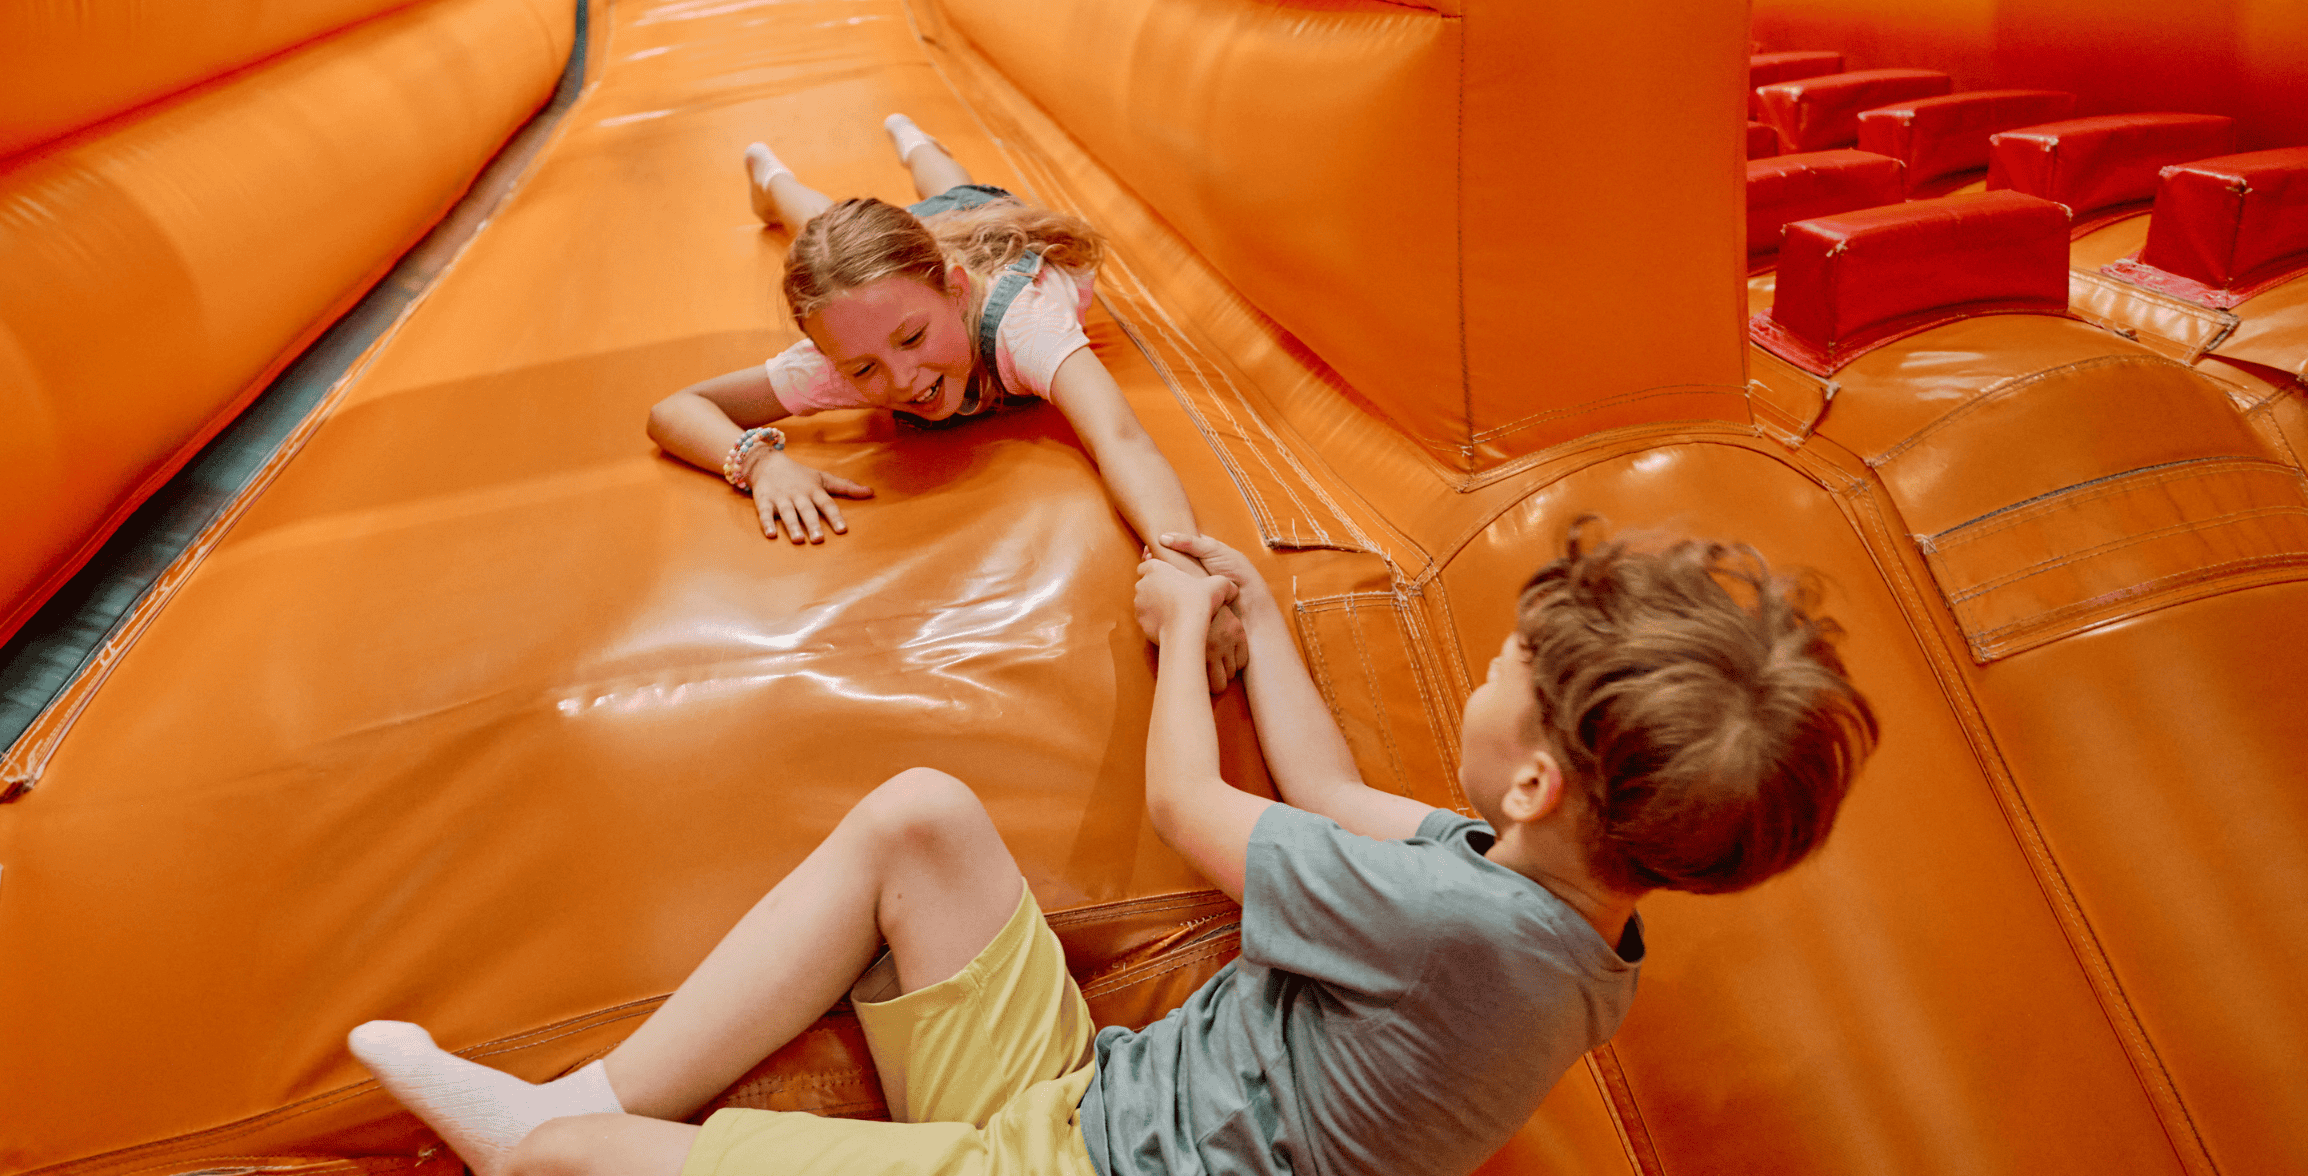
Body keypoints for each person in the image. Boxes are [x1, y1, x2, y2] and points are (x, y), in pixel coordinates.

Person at [347, 521, 1879, 1176]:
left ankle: (538, 1132)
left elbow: (1192, 816)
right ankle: (591, 1091)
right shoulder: (1561, 924)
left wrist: (1172, 642)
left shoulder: (1450, 923)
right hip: (1088, 1102)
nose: (1477, 677)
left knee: (565, 1166)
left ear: (1538, 774)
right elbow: (1331, 785)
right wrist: (1261, 618)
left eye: (1498, 673)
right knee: (923, 817)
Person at [646, 114, 1244, 690]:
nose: (903, 379)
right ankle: (772, 179)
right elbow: (673, 409)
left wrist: (1189, 584)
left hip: (978, 225)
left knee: (950, 187)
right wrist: (760, 461)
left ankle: (912, 140)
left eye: (913, 339)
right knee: (824, 232)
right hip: (898, 260)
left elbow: (1120, 438)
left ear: (955, 293)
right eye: (863, 368)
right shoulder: (845, 357)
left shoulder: (1023, 327)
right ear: (828, 355)